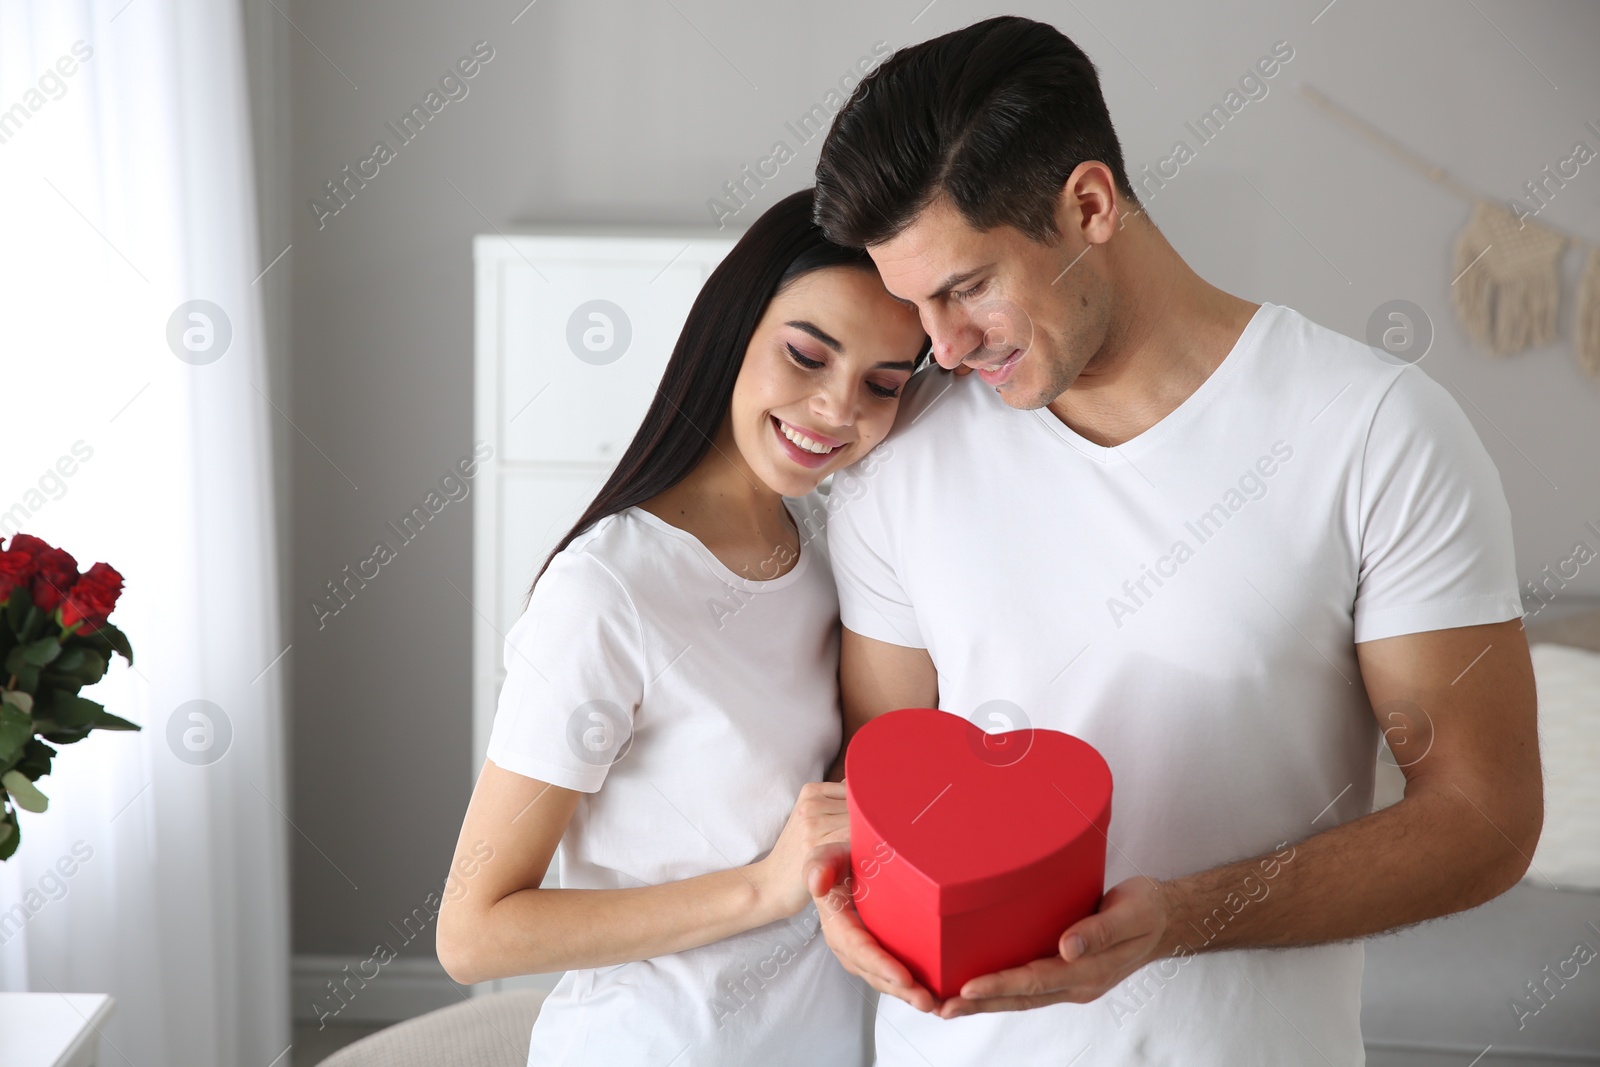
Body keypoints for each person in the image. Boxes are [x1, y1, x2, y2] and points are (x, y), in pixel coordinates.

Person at [802, 16, 1542, 1066]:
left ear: (1089, 204)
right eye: (913, 303)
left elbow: (1484, 816)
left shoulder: (1374, 434)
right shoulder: (897, 460)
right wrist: (842, 895)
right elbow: (878, 782)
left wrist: (1181, 916)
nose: (942, 346)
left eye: (966, 287)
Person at [435, 188, 928, 1066]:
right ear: (733, 327)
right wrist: (762, 888)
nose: (838, 409)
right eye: (807, 356)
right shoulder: (608, 590)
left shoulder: (819, 546)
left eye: (883, 385)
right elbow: (474, 933)